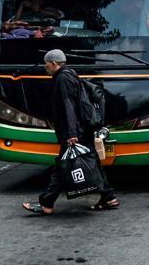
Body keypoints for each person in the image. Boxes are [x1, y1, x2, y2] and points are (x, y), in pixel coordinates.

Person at [22, 49, 119, 214]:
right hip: (83, 129)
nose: (45, 68)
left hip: (75, 132)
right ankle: (109, 197)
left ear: (53, 63)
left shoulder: (63, 78)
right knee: (93, 162)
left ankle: (46, 204)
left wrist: (72, 133)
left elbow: (69, 106)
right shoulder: (71, 74)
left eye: (46, 65)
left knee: (62, 166)